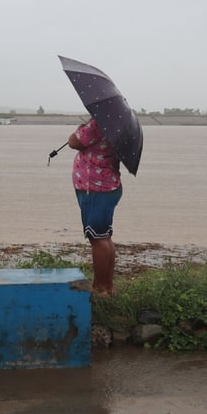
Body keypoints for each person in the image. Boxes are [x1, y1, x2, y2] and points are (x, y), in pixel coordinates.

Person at [67, 118, 122, 297]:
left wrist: (80, 128)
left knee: (97, 239)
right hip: (108, 186)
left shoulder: (97, 124)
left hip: (96, 189)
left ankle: (100, 288)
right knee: (104, 237)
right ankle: (108, 286)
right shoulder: (117, 124)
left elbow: (73, 141)